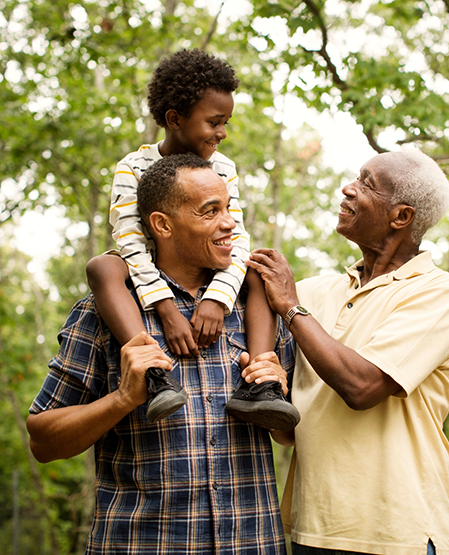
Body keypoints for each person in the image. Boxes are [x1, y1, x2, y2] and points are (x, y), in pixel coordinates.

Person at [27, 153, 295, 554]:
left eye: (227, 208)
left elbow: (290, 435)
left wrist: (278, 387)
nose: (229, 223)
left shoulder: (258, 310)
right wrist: (122, 399)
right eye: (210, 212)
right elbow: (43, 441)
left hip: (254, 544)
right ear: (162, 225)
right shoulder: (106, 311)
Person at [247, 148, 449, 555]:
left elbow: (362, 386)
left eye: (366, 184)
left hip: (397, 533)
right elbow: (288, 431)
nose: (347, 189)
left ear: (401, 217)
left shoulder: (441, 292)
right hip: (311, 529)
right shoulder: (315, 292)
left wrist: (290, 306)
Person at [85, 48, 299, 430]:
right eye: (214, 122)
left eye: (226, 122)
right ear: (175, 119)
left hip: (209, 268)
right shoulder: (132, 167)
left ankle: (261, 383)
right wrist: (165, 309)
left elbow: (236, 238)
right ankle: (153, 374)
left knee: (258, 268)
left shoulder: (223, 167)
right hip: (149, 270)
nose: (222, 132)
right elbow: (131, 240)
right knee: (103, 266)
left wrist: (218, 299)